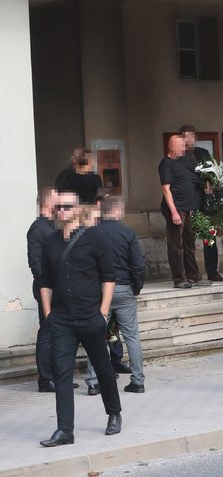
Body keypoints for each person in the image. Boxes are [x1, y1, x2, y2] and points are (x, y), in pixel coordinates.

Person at [38, 191, 122, 446]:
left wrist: (103, 312)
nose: (61, 211)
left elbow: (109, 277)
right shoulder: (50, 242)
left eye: (66, 206)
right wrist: (48, 313)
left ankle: (114, 413)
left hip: (90, 316)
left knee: (104, 368)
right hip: (62, 320)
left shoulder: (95, 237)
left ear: (77, 209)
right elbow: (45, 281)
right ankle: (65, 430)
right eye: (58, 207)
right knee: (62, 373)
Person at [84, 196, 147, 395]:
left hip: (100, 291)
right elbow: (138, 265)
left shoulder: (92, 232)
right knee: (132, 336)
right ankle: (137, 381)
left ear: (103, 210)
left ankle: (94, 382)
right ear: (119, 211)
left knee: (95, 336)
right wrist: (135, 288)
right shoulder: (127, 232)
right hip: (123, 288)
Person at [180, 125, 223, 282]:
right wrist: (201, 183)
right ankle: (192, 274)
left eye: (191, 136)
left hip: (206, 204)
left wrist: (211, 183)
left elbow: (211, 171)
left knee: (210, 237)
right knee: (188, 240)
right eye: (186, 136)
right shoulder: (179, 157)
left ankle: (212, 271)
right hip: (189, 203)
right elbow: (186, 178)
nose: (189, 140)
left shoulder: (202, 153)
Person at [159, 134, 202, 289]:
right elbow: (166, 188)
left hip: (186, 208)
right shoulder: (166, 163)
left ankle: (194, 276)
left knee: (189, 242)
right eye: (181, 146)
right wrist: (174, 212)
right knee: (176, 244)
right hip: (176, 209)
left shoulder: (180, 163)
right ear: (173, 147)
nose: (184, 149)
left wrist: (189, 206)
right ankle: (179, 278)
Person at [28, 188, 59, 392]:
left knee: (57, 332)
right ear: (48, 203)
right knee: (47, 331)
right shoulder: (39, 228)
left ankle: (56, 376)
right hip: (46, 287)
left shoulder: (52, 226)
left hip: (57, 286)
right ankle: (45, 379)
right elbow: (36, 263)